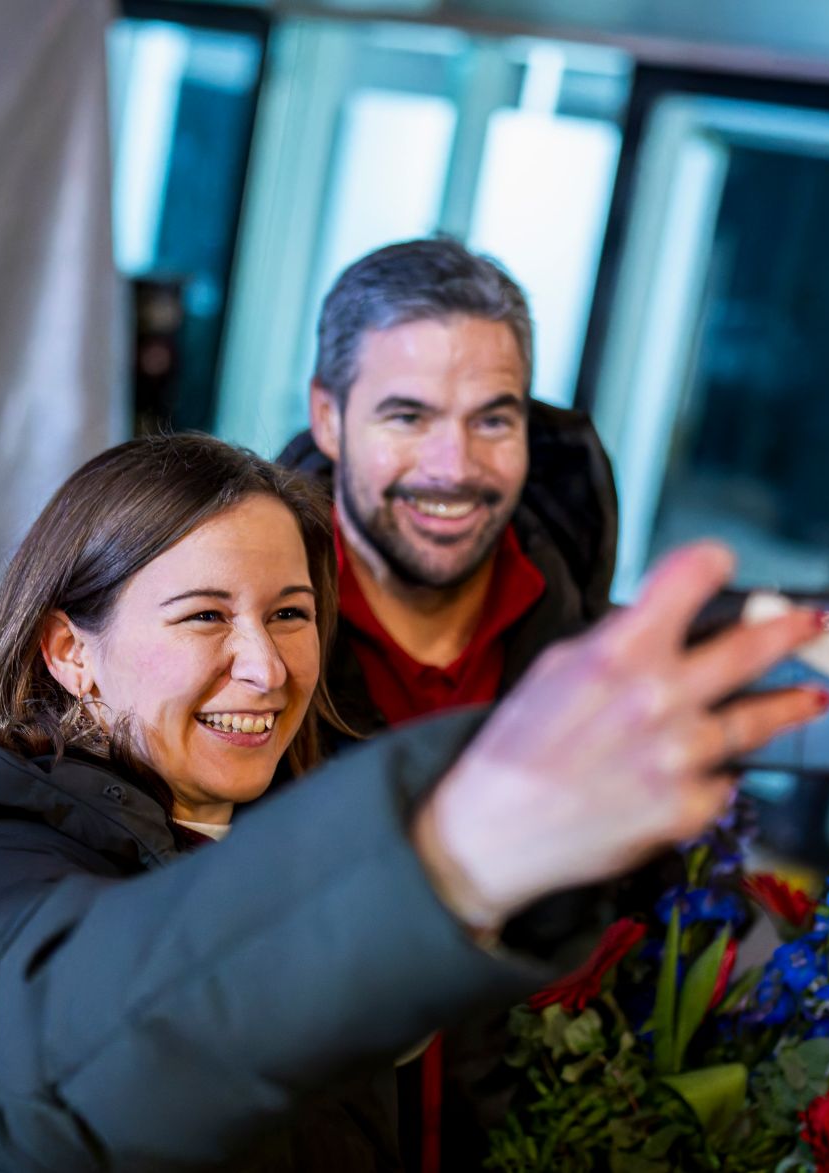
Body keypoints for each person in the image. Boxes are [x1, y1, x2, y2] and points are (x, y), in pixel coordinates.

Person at [0, 431, 829, 1172]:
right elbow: (66, 1049)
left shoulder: (258, 816)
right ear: (67, 652)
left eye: (290, 614)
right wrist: (442, 858)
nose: (265, 667)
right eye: (203, 616)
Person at [277, 236, 618, 1166]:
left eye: (492, 420)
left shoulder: (592, 660)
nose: (453, 465)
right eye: (408, 415)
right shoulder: (238, 658)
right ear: (329, 416)